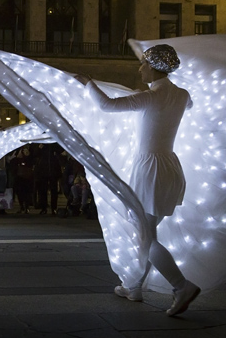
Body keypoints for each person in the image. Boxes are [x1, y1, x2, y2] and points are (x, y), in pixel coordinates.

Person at [75, 43, 200, 316]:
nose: (139, 68)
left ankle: (181, 286)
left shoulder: (150, 98)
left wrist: (88, 83)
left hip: (149, 169)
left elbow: (107, 105)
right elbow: (187, 104)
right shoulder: (181, 95)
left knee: (145, 232)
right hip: (169, 166)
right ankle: (134, 286)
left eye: (143, 64)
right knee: (147, 232)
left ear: (155, 68)